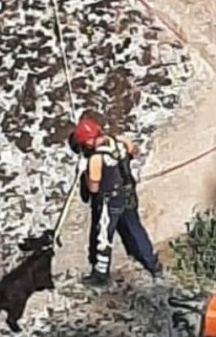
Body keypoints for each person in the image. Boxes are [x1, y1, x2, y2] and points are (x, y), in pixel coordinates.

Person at [69, 114, 162, 286]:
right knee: (136, 228)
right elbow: (135, 152)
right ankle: (153, 265)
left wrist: (84, 172)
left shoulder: (95, 159)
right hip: (128, 194)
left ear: (88, 142)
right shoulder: (121, 141)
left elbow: (93, 188)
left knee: (104, 236)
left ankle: (101, 274)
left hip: (109, 200)